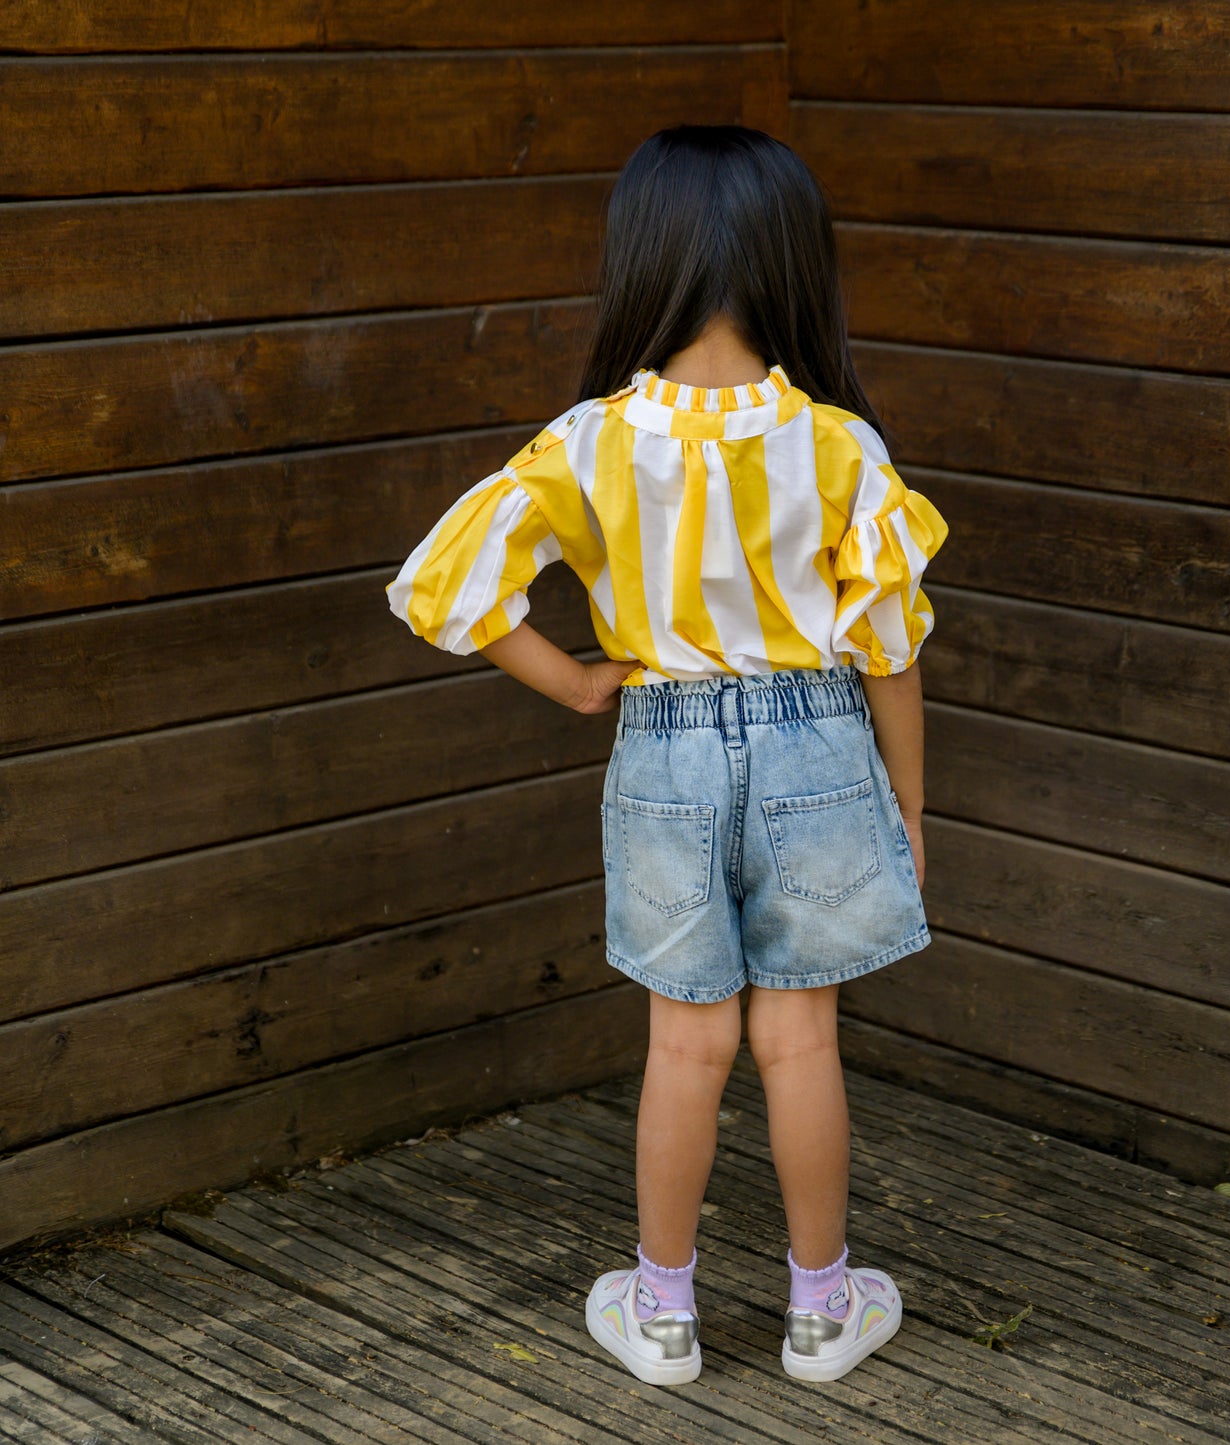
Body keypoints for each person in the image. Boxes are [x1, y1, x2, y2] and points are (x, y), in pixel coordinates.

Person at [386, 124, 946, 1388]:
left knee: (683, 1045)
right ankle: (819, 1311)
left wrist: (580, 680)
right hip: (818, 739)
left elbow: (443, 584)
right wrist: (905, 803)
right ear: (796, 262)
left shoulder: (588, 441)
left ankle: (662, 1312)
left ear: (639, 260)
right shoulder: (837, 444)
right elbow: (892, 648)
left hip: (665, 751)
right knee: (799, 1041)